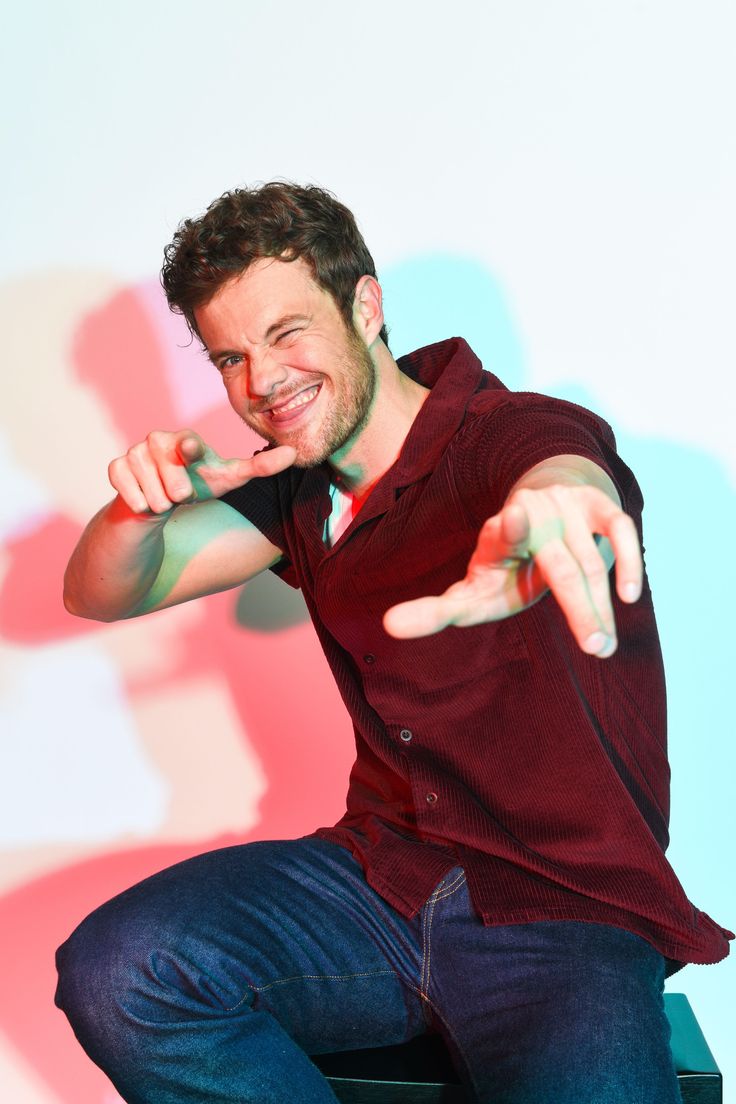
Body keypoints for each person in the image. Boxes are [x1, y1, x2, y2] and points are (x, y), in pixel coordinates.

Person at [55, 182, 731, 1104]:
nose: (262, 382)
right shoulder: (295, 489)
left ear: (364, 307)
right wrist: (137, 505)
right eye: (231, 357)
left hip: (563, 910)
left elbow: (564, 466)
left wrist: (559, 500)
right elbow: (102, 588)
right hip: (381, 883)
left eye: (288, 333)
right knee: (121, 970)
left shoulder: (509, 435)